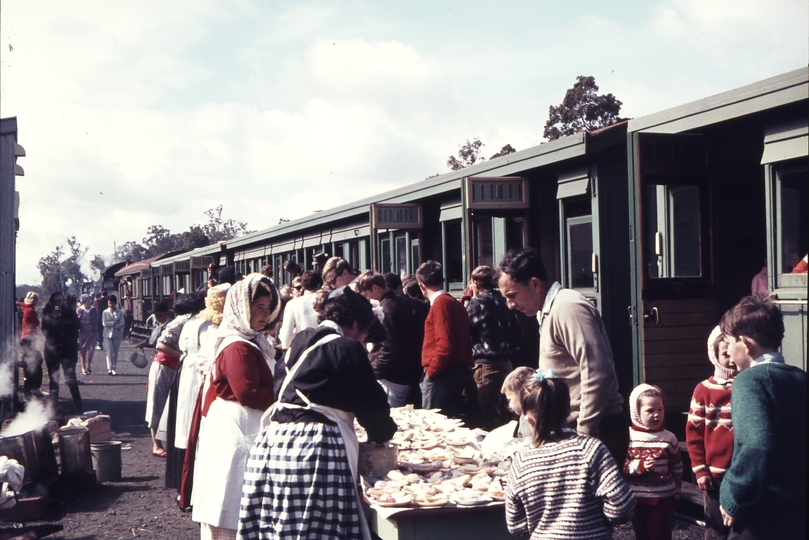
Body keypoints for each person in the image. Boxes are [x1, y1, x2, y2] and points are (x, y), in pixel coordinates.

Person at [239, 285, 397, 540]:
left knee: (283, 525)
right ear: (355, 324)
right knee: (316, 529)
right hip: (314, 448)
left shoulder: (298, 343)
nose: (363, 342)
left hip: (275, 442)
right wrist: (383, 432)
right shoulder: (346, 348)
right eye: (364, 335)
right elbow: (372, 408)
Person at [498, 247, 627, 463]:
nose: (510, 305)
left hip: (597, 432)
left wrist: (584, 434)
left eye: (512, 295)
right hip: (575, 431)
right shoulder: (549, 310)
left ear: (535, 284)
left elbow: (598, 372)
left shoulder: (567, 307)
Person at [191, 274, 281, 540]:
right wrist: (282, 394)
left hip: (242, 424)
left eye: (267, 309)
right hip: (235, 428)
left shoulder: (250, 341)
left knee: (237, 496)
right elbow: (248, 393)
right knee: (230, 496)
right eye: (258, 308)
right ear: (241, 309)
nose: (264, 315)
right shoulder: (237, 347)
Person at [505, 373, 635, 539]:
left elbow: (516, 526)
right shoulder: (591, 449)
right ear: (567, 410)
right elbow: (621, 506)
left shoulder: (521, 461)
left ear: (528, 419)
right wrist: (603, 520)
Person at [718, 296, 806, 539]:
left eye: (729, 343)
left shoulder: (749, 381)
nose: (729, 352)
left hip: (763, 515)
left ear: (744, 344)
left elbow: (756, 446)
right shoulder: (801, 378)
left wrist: (734, 496)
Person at [685, 326, 738, 540]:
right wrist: (700, 470)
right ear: (714, 356)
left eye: (734, 353)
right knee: (716, 526)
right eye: (725, 355)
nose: (731, 360)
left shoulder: (747, 385)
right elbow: (694, 433)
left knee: (741, 527)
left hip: (740, 472)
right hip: (715, 475)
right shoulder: (704, 390)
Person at [623, 383, 682, 540]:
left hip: (662, 498)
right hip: (636, 499)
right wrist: (639, 466)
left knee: (659, 536)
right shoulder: (628, 437)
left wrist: (676, 493)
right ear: (636, 412)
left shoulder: (669, 438)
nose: (657, 415)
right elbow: (620, 466)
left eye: (660, 409)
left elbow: (677, 467)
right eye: (650, 410)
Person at [466, 265, 522, 430]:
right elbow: (518, 335)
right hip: (506, 364)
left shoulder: (478, 302)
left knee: (487, 419)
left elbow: (463, 329)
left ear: (475, 283)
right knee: (504, 416)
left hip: (485, 365)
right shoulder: (504, 301)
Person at [416, 261, 472, 419]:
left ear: (421, 286)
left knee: (435, 425)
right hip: (454, 371)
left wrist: (431, 372)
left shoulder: (440, 304)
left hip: (441, 374)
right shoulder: (454, 303)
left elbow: (445, 345)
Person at [356, 270, 420, 407]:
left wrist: (374, 370)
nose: (366, 298)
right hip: (402, 373)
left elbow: (390, 346)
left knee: (392, 417)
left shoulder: (387, 309)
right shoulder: (400, 302)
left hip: (392, 376)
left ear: (375, 288)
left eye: (365, 294)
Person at [137, 301, 174, 458]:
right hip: (162, 363)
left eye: (160, 315)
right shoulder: (158, 325)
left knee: (171, 405)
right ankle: (156, 444)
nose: (158, 317)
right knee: (156, 402)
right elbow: (155, 343)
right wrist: (145, 343)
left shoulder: (172, 325)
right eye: (157, 315)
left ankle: (169, 442)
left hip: (173, 366)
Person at [41, 292, 83, 412]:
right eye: (56, 301)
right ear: (52, 301)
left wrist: (62, 322)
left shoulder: (69, 311)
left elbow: (77, 325)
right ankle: (54, 408)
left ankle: (78, 407)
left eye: (61, 300)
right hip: (52, 350)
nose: (59, 303)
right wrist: (53, 319)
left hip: (67, 350)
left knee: (71, 379)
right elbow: (44, 330)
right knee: (54, 380)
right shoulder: (47, 312)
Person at [278, 270, 322, 349]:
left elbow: (286, 336)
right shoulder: (329, 300)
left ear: (303, 286)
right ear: (319, 285)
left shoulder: (292, 304)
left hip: (305, 349)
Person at [101, 294, 125, 375]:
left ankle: (114, 368)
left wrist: (115, 326)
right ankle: (109, 368)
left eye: (112, 303)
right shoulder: (105, 312)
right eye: (109, 303)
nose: (110, 305)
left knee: (115, 352)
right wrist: (114, 322)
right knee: (109, 351)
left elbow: (122, 323)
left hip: (117, 334)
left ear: (115, 303)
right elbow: (104, 323)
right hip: (107, 334)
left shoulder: (120, 312)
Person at [77, 295, 98, 375]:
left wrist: (87, 322)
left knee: (92, 349)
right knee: (83, 350)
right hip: (82, 332)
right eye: (87, 301)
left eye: (90, 301)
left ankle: (89, 365)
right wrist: (82, 322)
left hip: (92, 332)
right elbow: (77, 320)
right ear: (84, 301)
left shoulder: (93, 310)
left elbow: (96, 320)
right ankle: (83, 367)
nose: (89, 302)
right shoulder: (79, 310)